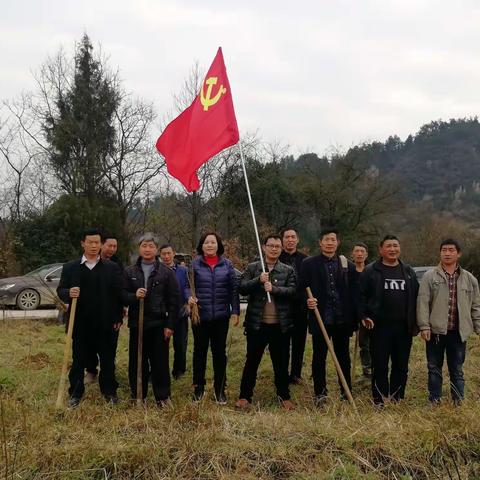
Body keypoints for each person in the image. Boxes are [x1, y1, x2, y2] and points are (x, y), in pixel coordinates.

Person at [57, 229, 123, 408]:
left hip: (105, 322)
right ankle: (75, 393)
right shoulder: (71, 267)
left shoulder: (111, 268)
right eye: (90, 242)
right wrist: (68, 293)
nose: (94, 246)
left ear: (101, 244)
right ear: (82, 243)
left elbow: (118, 294)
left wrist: (118, 317)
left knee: (108, 360)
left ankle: (109, 392)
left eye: (97, 242)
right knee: (79, 360)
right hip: (80, 324)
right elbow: (61, 290)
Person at [236, 234, 297, 410]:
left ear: (281, 249)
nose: (274, 249)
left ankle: (284, 396)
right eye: (271, 246)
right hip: (257, 324)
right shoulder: (253, 268)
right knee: (252, 361)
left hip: (280, 325)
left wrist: (274, 289)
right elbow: (242, 288)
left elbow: (293, 291)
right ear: (264, 247)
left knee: (281, 362)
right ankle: (245, 396)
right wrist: (259, 280)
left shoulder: (288, 270)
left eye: (277, 246)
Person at [299, 228, 358, 406]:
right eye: (326, 239)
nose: (330, 242)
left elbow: (354, 294)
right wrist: (307, 302)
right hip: (320, 318)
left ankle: (346, 392)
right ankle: (320, 394)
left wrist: (355, 319)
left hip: (342, 319)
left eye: (333, 239)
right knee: (319, 357)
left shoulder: (348, 265)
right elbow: (301, 289)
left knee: (343, 357)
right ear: (320, 242)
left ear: (337, 242)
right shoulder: (309, 264)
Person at [417, 239, 480, 405]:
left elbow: (475, 305)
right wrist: (424, 326)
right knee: (434, 368)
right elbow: (423, 302)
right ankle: (434, 400)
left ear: (458, 253)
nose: (447, 253)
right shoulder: (430, 276)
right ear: (440, 252)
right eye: (444, 250)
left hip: (459, 332)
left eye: (451, 250)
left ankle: (458, 402)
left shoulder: (469, 279)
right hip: (436, 331)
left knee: (457, 369)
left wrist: (477, 326)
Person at [359, 235, 419, 407]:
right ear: (380, 249)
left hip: (403, 327)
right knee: (380, 365)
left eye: (395, 246)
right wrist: (364, 316)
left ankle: (397, 397)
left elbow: (416, 297)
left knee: (401, 365)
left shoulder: (408, 271)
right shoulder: (371, 271)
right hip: (379, 328)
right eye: (388, 246)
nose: (392, 249)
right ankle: (379, 399)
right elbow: (361, 296)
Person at [123, 234, 181, 406]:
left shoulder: (166, 272)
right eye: (144, 246)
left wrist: (170, 325)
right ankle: (138, 394)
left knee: (160, 362)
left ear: (156, 249)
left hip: (158, 324)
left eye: (150, 246)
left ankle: (162, 396)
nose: (147, 249)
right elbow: (122, 295)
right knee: (137, 361)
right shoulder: (130, 271)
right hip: (137, 324)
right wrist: (134, 295)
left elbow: (174, 300)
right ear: (139, 248)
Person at [188, 232, 240, 404]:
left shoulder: (227, 265)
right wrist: (188, 297)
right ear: (201, 246)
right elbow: (187, 286)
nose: (210, 245)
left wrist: (236, 311)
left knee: (219, 353)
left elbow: (233, 289)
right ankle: (199, 388)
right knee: (199, 352)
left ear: (218, 245)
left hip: (221, 316)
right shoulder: (194, 265)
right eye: (206, 242)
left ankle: (220, 389)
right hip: (200, 317)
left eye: (213, 242)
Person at [85, 234, 124, 384]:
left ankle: (108, 374)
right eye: (109, 245)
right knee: (89, 343)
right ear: (102, 245)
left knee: (110, 345)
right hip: (91, 312)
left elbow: (120, 291)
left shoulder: (117, 265)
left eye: (115, 246)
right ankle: (91, 369)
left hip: (111, 312)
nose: (112, 249)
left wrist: (120, 312)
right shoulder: (90, 262)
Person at [279, 228, 308, 384]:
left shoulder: (305, 260)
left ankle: (296, 373)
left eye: (293, 237)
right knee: (282, 342)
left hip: (300, 308)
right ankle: (282, 372)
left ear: (298, 240)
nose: (290, 240)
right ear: (282, 240)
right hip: (282, 306)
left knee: (299, 342)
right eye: (287, 237)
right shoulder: (277, 257)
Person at [159, 244, 190, 379]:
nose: (166, 256)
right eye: (163, 254)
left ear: (173, 253)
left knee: (180, 345)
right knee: (161, 347)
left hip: (180, 313)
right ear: (160, 255)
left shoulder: (182, 270)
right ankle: (160, 372)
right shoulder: (157, 270)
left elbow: (187, 287)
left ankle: (179, 371)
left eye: (168, 253)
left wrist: (189, 299)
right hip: (162, 314)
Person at [351, 242, 371, 377]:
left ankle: (368, 369)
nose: (359, 254)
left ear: (366, 254)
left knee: (366, 342)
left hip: (367, 312)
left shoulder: (370, 272)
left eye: (362, 251)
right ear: (352, 254)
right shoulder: (347, 272)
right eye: (357, 251)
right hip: (350, 311)